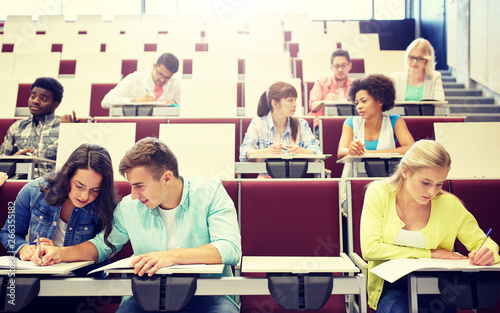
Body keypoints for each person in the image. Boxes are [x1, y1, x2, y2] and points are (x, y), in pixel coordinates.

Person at [35, 137, 242, 313]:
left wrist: (170, 256)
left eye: (139, 186)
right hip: (146, 296)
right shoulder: (129, 207)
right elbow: (102, 246)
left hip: (207, 293)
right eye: (131, 186)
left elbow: (229, 249)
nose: (133, 195)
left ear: (166, 178)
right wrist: (61, 253)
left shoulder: (210, 193)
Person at [360, 140, 500, 312]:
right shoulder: (379, 193)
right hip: (390, 287)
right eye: (426, 183)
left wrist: (488, 253)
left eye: (439, 184)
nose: (432, 192)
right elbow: (370, 249)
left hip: (438, 287)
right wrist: (431, 254)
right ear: (405, 171)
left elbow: (483, 242)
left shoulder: (449, 205)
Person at [0, 143, 117, 260]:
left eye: (95, 190)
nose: (85, 196)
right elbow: (8, 233)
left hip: (82, 277)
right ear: (67, 176)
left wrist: (62, 254)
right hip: (39, 274)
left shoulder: (104, 203)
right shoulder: (35, 190)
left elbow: (104, 252)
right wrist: (23, 248)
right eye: (79, 186)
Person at [0, 77, 78, 178]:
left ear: (55, 104)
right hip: (19, 185)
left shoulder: (65, 126)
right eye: (32, 96)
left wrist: (69, 132)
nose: (35, 101)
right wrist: (14, 158)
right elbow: (1, 163)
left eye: (43, 99)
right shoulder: (17, 127)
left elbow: (75, 165)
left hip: (52, 186)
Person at [337, 74, 414, 159]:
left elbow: (411, 148)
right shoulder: (350, 122)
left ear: (380, 101)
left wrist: (371, 153)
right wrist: (350, 151)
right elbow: (341, 152)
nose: (359, 106)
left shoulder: (395, 121)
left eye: (364, 101)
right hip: (354, 171)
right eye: (357, 102)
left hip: (387, 172)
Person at [240, 81, 320, 162]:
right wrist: (266, 152)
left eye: (295, 100)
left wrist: (302, 152)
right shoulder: (258, 123)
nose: (295, 104)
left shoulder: (301, 124)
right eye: (290, 100)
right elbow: (244, 154)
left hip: (296, 174)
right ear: (275, 103)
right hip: (265, 175)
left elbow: (318, 154)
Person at [101, 52, 181, 109]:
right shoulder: (134, 78)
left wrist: (175, 105)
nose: (163, 80)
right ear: (154, 66)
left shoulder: (175, 84)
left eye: (167, 77)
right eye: (160, 74)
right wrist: (134, 101)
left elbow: (184, 108)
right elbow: (106, 101)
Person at [308, 49, 354, 132]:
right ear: (331, 68)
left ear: (350, 66)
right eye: (336, 66)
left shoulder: (355, 84)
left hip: (350, 125)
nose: (340, 69)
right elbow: (312, 105)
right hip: (324, 124)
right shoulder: (321, 82)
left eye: (343, 65)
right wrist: (326, 102)